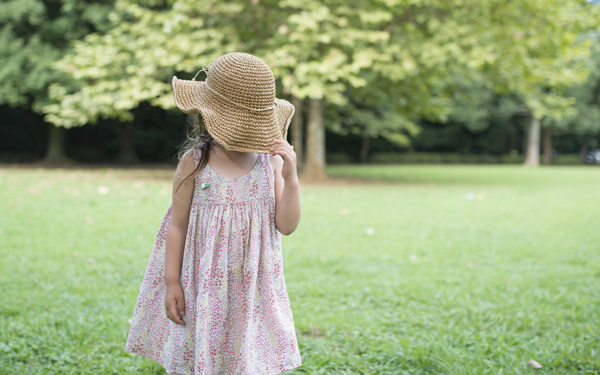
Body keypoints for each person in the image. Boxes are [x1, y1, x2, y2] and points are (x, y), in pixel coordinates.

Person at [125, 52, 303, 374]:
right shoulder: (194, 163)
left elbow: (286, 226)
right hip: (202, 287)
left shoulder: (270, 164)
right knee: (202, 355)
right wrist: (171, 282)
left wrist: (291, 180)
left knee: (245, 357)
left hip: (252, 289)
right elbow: (176, 226)